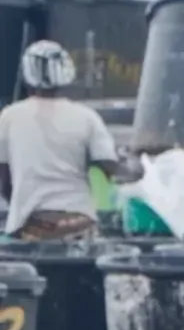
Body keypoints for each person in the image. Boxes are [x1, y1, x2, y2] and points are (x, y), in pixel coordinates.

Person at [0, 41, 119, 241]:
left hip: (32, 226)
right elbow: (110, 167)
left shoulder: (9, 117)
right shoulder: (86, 117)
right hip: (80, 223)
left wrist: (21, 205)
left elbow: (2, 180)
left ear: (26, 77)